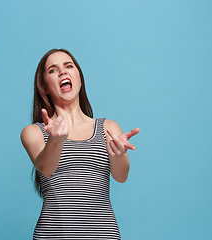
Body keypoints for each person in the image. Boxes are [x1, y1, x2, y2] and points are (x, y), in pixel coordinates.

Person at [20, 48, 140, 239]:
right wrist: (56, 140)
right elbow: (46, 168)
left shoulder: (108, 127)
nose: (62, 72)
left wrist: (118, 155)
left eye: (69, 66)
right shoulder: (34, 132)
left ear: (80, 79)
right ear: (45, 88)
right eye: (53, 70)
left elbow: (121, 176)